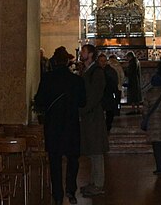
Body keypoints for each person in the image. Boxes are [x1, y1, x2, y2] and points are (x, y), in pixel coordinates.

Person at [33, 46, 86, 205]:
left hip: (53, 126)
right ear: (68, 62)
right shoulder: (76, 80)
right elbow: (83, 102)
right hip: (71, 125)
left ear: (54, 61)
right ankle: (71, 191)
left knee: (55, 162)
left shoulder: (47, 79)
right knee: (72, 159)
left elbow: (39, 102)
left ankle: (57, 195)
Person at [79, 44, 109, 197]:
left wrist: (83, 109)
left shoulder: (96, 72)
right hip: (87, 115)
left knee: (96, 150)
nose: (81, 53)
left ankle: (98, 184)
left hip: (93, 115)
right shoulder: (86, 70)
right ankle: (93, 181)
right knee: (91, 150)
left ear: (90, 54)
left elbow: (96, 94)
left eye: (83, 51)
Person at [98, 52, 121, 131]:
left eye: (104, 61)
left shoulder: (111, 71)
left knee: (109, 113)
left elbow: (115, 82)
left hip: (108, 95)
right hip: (99, 96)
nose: (103, 63)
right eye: (101, 61)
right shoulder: (96, 71)